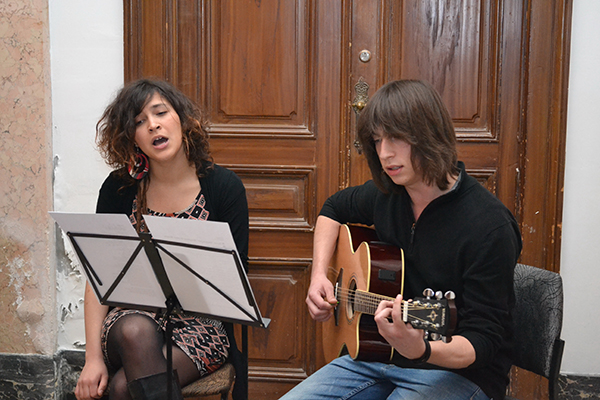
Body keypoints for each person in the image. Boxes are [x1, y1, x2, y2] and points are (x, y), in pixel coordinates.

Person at [280, 80, 522, 400]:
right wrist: (319, 275)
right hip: (378, 358)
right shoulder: (388, 194)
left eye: (395, 138)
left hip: (460, 374)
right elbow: (332, 209)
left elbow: (483, 342)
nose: (384, 153)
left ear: (430, 133)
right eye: (377, 140)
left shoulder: (489, 227)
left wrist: (420, 350)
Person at [74, 79, 249, 400]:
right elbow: (97, 277)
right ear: (131, 137)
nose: (153, 125)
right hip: (130, 319)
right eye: (139, 122)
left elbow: (235, 278)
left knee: (123, 388)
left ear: (182, 119)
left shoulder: (224, 187)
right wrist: (92, 358)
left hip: (199, 325)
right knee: (135, 331)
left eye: (160, 113)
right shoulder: (118, 188)